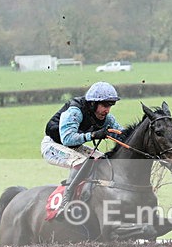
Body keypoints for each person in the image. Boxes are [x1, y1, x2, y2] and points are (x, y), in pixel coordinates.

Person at [41, 81, 123, 217]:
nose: (107, 110)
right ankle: (65, 203)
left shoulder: (106, 118)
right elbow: (67, 139)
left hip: (73, 147)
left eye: (110, 106)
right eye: (104, 105)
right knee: (80, 163)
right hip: (52, 145)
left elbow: (121, 133)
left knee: (103, 161)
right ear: (93, 103)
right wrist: (93, 135)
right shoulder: (75, 111)